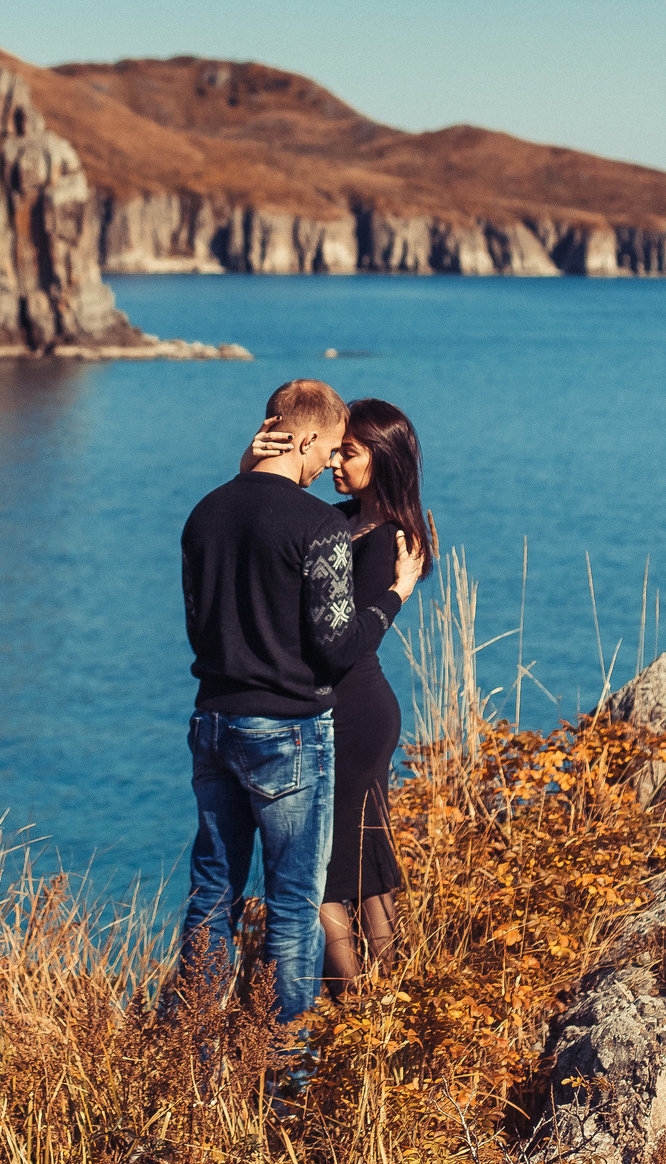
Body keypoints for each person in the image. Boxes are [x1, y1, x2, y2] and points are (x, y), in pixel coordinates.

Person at [177, 378, 403, 1026]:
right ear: (302, 437)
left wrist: (245, 473)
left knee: (213, 893)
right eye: (328, 447)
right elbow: (335, 647)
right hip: (285, 730)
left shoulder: (204, 512)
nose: (329, 462)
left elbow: (199, 625)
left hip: (212, 721)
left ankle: (191, 1045)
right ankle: (284, 1065)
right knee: (296, 900)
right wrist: (392, 596)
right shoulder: (315, 527)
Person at [251, 399, 433, 994]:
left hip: (353, 712)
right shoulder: (338, 520)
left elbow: (347, 641)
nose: (333, 460)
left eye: (347, 453)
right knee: (365, 867)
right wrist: (251, 465)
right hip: (346, 707)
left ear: (379, 460)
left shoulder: (388, 542)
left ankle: (357, 1012)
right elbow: (267, 519)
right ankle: (392, 1006)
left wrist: (400, 592)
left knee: (329, 873)